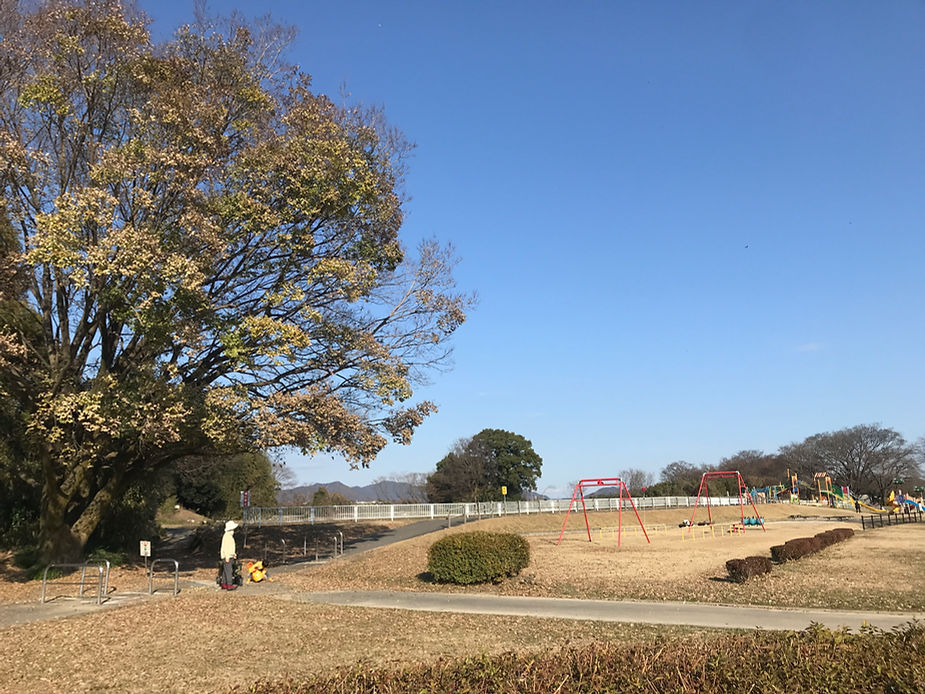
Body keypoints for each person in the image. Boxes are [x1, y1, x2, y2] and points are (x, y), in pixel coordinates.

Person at [220, 520, 238, 590]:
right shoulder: (227, 536)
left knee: (225, 570)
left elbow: (231, 547)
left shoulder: (228, 536)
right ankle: (229, 584)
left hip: (229, 555)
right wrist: (227, 556)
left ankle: (224, 583)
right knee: (229, 570)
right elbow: (226, 547)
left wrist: (233, 554)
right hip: (227, 556)